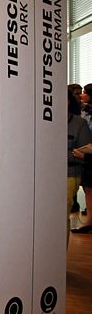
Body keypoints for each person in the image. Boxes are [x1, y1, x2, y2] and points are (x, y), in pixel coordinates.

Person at [67, 89, 92, 245]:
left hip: (69, 173)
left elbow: (85, 151)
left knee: (61, 215)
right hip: (46, 174)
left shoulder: (79, 124)